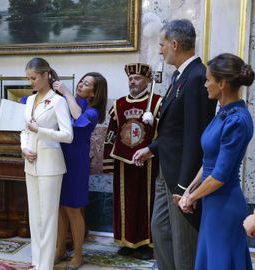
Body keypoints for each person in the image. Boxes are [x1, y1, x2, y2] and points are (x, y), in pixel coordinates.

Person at [133, 19, 217, 270]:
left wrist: (185, 186)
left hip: (182, 175)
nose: (160, 50)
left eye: (162, 45)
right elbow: (173, 130)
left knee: (183, 242)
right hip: (166, 168)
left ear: (175, 44)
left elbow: (194, 137)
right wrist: (152, 148)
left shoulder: (196, 78)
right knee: (160, 229)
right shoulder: (180, 77)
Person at [177, 53, 254, 269]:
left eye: (208, 79)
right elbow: (209, 161)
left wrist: (191, 198)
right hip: (213, 205)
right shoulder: (223, 112)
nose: (205, 84)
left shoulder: (237, 119)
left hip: (225, 207)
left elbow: (220, 176)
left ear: (221, 84)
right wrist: (189, 190)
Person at [103, 63, 162, 260]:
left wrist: (155, 121)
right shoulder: (118, 105)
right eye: (130, 79)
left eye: (137, 78)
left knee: (147, 203)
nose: (133, 82)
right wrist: (107, 161)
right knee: (125, 203)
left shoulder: (157, 103)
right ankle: (127, 241)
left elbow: (166, 134)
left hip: (149, 163)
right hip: (123, 162)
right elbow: (111, 134)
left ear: (147, 81)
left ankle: (148, 243)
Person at [21, 57, 73, 270]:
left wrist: (40, 131)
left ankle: (46, 266)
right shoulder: (30, 100)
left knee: (48, 217)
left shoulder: (58, 101)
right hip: (30, 164)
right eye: (28, 78)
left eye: (33, 78)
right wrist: (24, 147)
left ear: (45, 75)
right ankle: (36, 262)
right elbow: (23, 129)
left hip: (51, 165)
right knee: (34, 216)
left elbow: (68, 135)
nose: (31, 82)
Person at [53, 72, 107, 269]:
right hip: (59, 157)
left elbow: (78, 118)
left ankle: (77, 254)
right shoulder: (68, 102)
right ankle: (60, 249)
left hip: (76, 162)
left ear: (94, 93)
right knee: (59, 207)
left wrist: (66, 92)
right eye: (81, 82)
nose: (81, 85)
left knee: (73, 208)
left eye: (87, 84)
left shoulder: (92, 112)